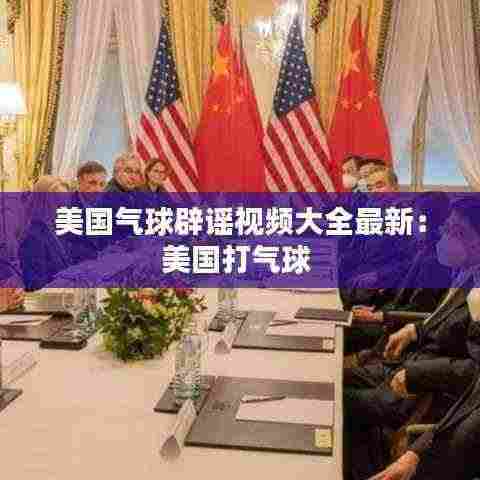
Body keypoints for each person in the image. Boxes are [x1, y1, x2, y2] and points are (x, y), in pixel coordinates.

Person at [343, 198, 480, 480]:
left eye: (456, 231)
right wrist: (415, 330)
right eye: (447, 227)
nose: (445, 235)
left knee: (336, 402)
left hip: (421, 390)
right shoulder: (467, 275)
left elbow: (471, 368)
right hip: (405, 363)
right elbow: (441, 322)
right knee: (328, 380)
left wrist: (418, 371)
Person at [345, 192, 452, 357]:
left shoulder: (434, 261)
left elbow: (419, 309)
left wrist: (378, 316)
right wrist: (375, 307)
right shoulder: (423, 247)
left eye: (416, 220)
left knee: (338, 330)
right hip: (387, 311)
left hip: (394, 326)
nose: (411, 224)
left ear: (433, 224)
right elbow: (401, 290)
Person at [18, 176, 72, 291]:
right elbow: (34, 285)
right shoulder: (33, 236)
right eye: (59, 205)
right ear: (42, 203)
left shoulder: (56, 231)